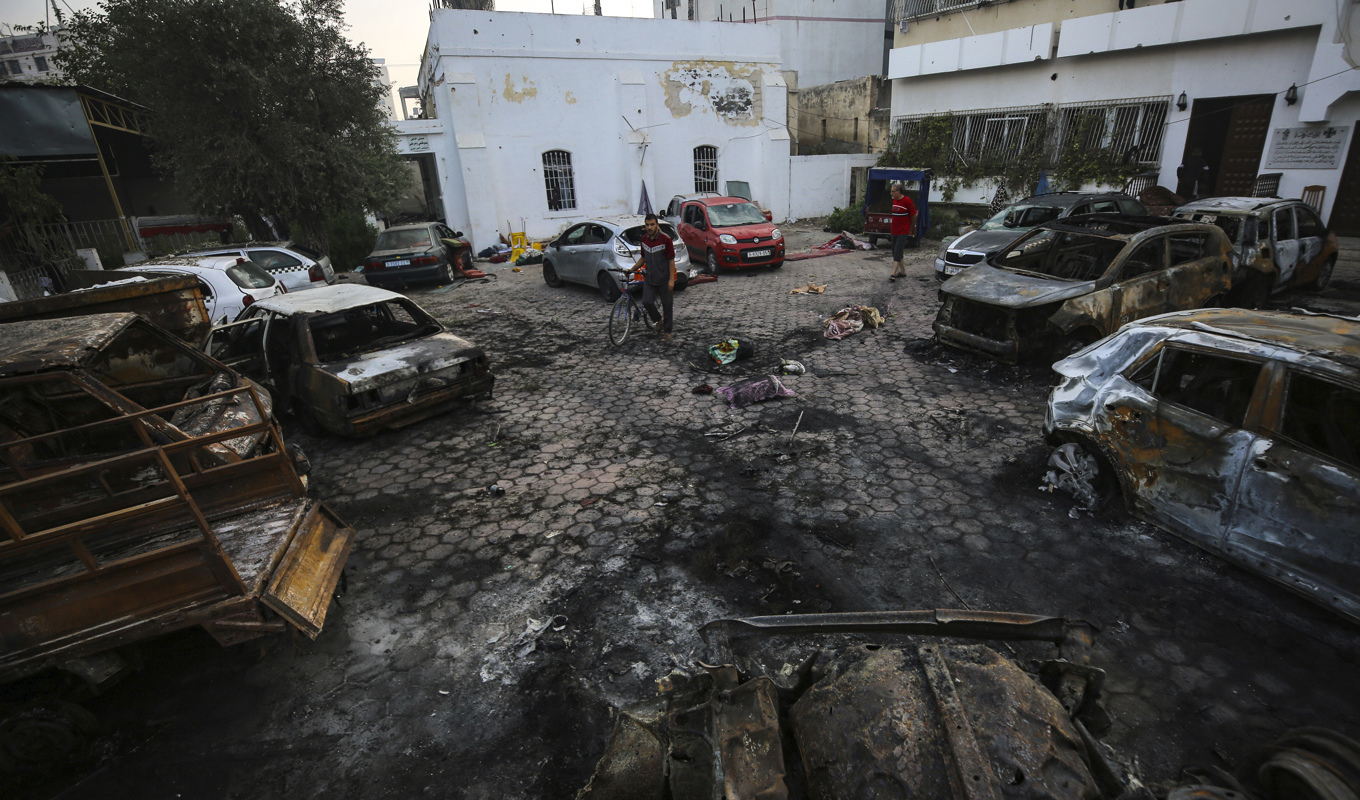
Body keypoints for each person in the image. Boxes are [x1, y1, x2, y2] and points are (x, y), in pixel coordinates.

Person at [628, 213, 676, 340]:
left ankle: (667, 332)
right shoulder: (644, 239)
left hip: (664, 279)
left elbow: (671, 260)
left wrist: (671, 280)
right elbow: (643, 258)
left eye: (652, 225)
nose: (649, 227)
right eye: (647, 225)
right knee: (647, 302)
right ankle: (659, 320)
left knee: (667, 305)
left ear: (657, 225)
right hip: (649, 278)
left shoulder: (666, 240)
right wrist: (632, 269)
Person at [888, 183, 916, 282]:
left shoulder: (907, 201)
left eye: (893, 191)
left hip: (903, 231)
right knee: (895, 251)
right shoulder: (895, 200)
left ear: (898, 192)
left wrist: (911, 226)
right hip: (894, 230)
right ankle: (903, 271)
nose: (891, 193)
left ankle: (893, 273)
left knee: (897, 250)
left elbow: (914, 214)